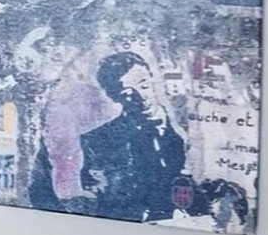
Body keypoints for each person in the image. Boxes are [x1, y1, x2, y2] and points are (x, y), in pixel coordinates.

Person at [73, 52, 185, 222]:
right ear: (113, 96)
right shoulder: (96, 143)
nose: (141, 97)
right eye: (128, 93)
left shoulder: (190, 131)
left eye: (144, 85)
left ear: (152, 78)